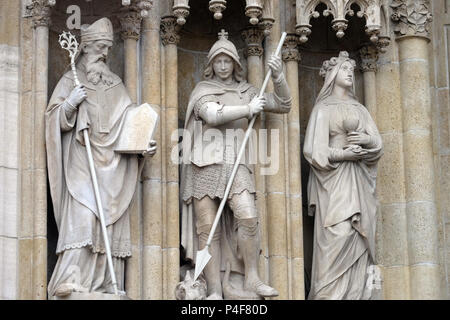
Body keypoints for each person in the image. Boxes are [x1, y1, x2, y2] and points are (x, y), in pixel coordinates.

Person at [46, 17, 156, 297]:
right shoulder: (71, 79)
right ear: (85, 48)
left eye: (108, 48)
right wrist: (70, 103)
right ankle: (70, 279)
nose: (105, 54)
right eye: (99, 48)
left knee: (109, 221)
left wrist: (141, 145)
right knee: (83, 218)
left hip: (113, 166)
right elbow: (52, 119)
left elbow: (129, 122)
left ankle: (108, 283)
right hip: (81, 160)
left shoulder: (116, 84)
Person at [180, 30, 292, 299]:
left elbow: (284, 104)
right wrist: (247, 109)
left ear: (235, 64)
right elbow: (212, 115)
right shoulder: (203, 90)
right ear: (211, 65)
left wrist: (278, 76)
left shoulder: (247, 91)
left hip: (236, 162)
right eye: (217, 61)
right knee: (207, 230)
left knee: (248, 216)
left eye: (226, 61)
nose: (222, 66)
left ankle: (252, 278)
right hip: (203, 164)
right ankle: (215, 291)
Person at [303, 51, 383, 300]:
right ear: (332, 75)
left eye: (351, 69)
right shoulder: (322, 109)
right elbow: (313, 151)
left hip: (359, 180)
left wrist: (366, 140)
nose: (350, 73)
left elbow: (378, 144)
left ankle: (358, 294)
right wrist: (342, 154)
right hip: (334, 183)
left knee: (360, 237)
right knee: (339, 233)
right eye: (344, 69)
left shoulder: (359, 109)